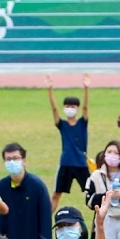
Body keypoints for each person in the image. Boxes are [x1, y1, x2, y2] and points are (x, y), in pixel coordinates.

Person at [0, 143, 54, 239]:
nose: (12, 162)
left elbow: (45, 220)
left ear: (24, 160)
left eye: (15, 158)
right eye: (8, 159)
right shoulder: (2, 186)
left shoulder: (37, 186)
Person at [46, 74, 91, 211]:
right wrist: (50, 90)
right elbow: (54, 109)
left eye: (72, 106)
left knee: (92, 193)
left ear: (76, 108)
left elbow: (86, 107)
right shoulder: (62, 125)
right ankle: (45, 221)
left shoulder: (82, 123)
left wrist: (86, 88)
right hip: (66, 163)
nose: (69, 109)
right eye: (67, 106)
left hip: (81, 164)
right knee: (56, 195)